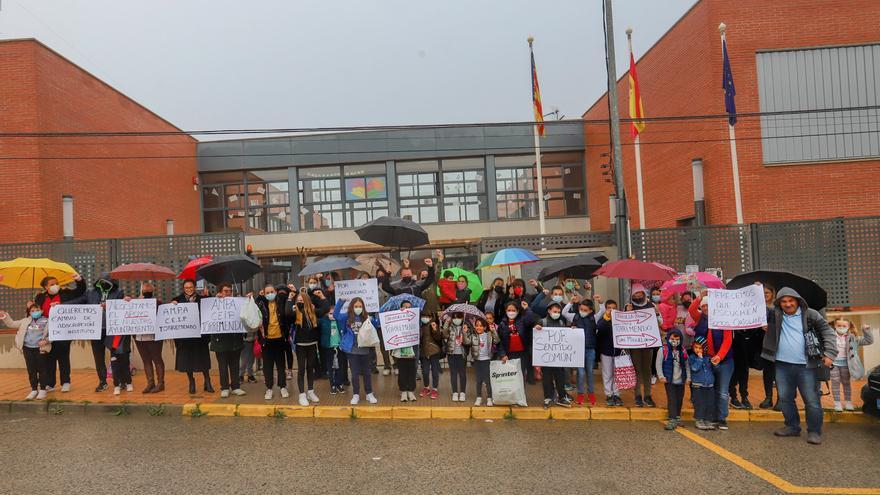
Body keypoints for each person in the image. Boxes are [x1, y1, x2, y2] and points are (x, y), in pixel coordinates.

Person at [762, 287, 836, 445]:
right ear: (779, 303)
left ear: (797, 301)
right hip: (782, 365)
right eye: (783, 301)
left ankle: (814, 431)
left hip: (807, 366)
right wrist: (755, 290)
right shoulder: (774, 315)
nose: (788, 304)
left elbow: (827, 332)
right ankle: (792, 427)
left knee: (812, 400)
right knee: (785, 398)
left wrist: (830, 353)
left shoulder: (811, 314)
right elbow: (756, 310)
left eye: (791, 301)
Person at [70, 274, 124, 393]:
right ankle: (102, 381)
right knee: (98, 358)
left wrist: (109, 306)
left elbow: (122, 307)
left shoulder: (119, 293)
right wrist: (60, 305)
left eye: (107, 281)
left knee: (116, 356)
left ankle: (119, 380)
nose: (104, 283)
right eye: (102, 281)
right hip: (95, 330)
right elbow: (77, 302)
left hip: (112, 330)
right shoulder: (90, 293)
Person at [689, 294, 734, 430]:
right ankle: (710, 416)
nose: (706, 308)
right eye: (703, 306)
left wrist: (719, 356)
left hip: (724, 361)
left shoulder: (724, 319)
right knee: (708, 389)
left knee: (722, 392)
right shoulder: (699, 318)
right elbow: (691, 310)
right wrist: (699, 298)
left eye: (708, 305)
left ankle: (721, 418)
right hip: (706, 361)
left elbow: (727, 340)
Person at [35, 273, 86, 392]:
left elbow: (81, 291)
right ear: (46, 287)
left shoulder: (66, 293)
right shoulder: (40, 297)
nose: (55, 286)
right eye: (52, 284)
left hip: (63, 330)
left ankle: (66, 382)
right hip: (47, 332)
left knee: (63, 356)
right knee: (49, 358)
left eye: (57, 283)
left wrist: (79, 280)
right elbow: (36, 311)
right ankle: (50, 383)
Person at [334, 297, 380, 405]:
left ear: (363, 307)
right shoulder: (347, 317)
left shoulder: (366, 317)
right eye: (356, 306)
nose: (358, 308)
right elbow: (336, 315)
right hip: (352, 350)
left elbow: (377, 324)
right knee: (354, 374)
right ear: (352, 307)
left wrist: (374, 319)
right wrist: (341, 301)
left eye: (360, 306)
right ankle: (356, 394)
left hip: (365, 350)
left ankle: (369, 393)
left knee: (367, 373)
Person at [1, 304, 52, 400]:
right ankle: (33, 389)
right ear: (29, 312)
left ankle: (43, 390)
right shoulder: (25, 321)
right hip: (27, 348)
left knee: (42, 369)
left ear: (41, 311)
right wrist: (5, 316)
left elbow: (54, 334)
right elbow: (11, 324)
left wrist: (46, 341)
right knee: (31, 369)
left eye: (37, 310)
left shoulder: (47, 321)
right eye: (32, 311)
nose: (35, 312)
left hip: (40, 349)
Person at [171, 279, 213, 395]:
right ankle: (191, 381)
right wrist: (173, 305)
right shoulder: (177, 300)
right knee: (187, 361)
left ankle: (207, 381)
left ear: (194, 287)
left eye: (191, 287)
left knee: (203, 359)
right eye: (186, 288)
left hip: (200, 337)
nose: (189, 289)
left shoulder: (203, 299)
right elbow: (171, 314)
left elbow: (212, 308)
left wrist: (209, 295)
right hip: (184, 338)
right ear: (183, 289)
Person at [285, 287, 323, 406]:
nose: (300, 302)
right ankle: (302, 394)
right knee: (301, 369)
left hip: (312, 344)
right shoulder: (295, 310)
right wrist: (290, 299)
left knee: (310, 367)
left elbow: (325, 308)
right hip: (300, 345)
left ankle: (310, 391)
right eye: (298, 300)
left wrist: (321, 297)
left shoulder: (312, 311)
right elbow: (287, 313)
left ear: (307, 300)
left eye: (302, 300)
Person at [253, 283, 290, 401]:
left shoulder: (281, 301)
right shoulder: (261, 303)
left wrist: (291, 289)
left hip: (280, 339)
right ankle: (269, 388)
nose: (270, 294)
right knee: (267, 367)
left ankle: (283, 387)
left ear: (276, 292)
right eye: (267, 292)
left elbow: (290, 297)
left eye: (272, 292)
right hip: (266, 340)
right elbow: (252, 308)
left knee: (280, 365)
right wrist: (258, 297)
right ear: (264, 293)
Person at [210, 283, 246, 398]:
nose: (228, 293)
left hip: (235, 340)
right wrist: (215, 300)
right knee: (223, 365)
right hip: (220, 341)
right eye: (225, 290)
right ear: (220, 291)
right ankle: (224, 387)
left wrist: (246, 300)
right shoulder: (213, 304)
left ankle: (235, 387)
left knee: (235, 365)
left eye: (230, 290)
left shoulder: (237, 303)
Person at [828, 318, 873, 412]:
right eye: (839, 326)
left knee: (846, 383)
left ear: (848, 327)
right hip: (833, 364)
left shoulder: (853, 337)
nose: (841, 328)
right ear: (835, 326)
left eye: (844, 326)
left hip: (846, 364)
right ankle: (837, 403)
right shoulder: (830, 336)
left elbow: (869, 341)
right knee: (835, 383)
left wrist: (866, 330)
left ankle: (848, 402)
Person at [534, 302, 573, 408]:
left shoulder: (561, 322)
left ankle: (562, 397)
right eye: (554, 311)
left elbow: (564, 337)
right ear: (549, 311)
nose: (557, 313)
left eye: (558, 312)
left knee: (560, 378)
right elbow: (537, 337)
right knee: (547, 378)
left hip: (558, 359)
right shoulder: (542, 321)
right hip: (546, 359)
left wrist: (571, 331)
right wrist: (537, 328)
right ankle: (548, 398)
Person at [565, 299, 598, 405]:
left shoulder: (594, 318)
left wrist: (600, 302)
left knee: (590, 372)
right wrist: (571, 302)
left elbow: (602, 311)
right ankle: (580, 394)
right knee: (580, 373)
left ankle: (591, 394)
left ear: (590, 310)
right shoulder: (575, 316)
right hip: (578, 350)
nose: (582, 311)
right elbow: (564, 312)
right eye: (581, 309)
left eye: (585, 310)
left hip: (590, 349)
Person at [133, 283, 165, 393]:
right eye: (144, 288)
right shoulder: (135, 303)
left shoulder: (158, 302)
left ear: (153, 290)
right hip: (140, 336)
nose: (146, 290)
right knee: (146, 360)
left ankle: (160, 383)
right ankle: (150, 383)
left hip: (153, 336)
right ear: (141, 290)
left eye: (149, 288)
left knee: (157, 359)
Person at [628, 284, 656, 407]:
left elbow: (660, 323)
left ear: (644, 294)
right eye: (635, 294)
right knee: (636, 370)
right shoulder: (629, 307)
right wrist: (627, 313)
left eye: (639, 293)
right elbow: (623, 325)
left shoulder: (652, 306)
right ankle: (638, 395)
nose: (637, 296)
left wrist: (658, 314)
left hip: (648, 343)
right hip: (634, 345)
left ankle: (648, 395)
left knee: (647, 369)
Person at [656, 329, 689, 430]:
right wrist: (661, 376)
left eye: (677, 339)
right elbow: (658, 364)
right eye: (672, 338)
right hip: (669, 380)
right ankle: (672, 418)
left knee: (679, 399)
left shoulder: (683, 351)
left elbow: (687, 365)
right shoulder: (663, 350)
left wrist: (688, 377)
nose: (675, 340)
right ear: (668, 338)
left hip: (680, 380)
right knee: (672, 399)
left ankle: (677, 417)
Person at [498, 301, 537, 384]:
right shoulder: (502, 324)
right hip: (509, 354)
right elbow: (499, 341)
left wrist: (527, 309)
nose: (511, 312)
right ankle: (512, 396)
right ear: (505, 311)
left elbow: (531, 320)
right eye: (509, 310)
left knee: (520, 376)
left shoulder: (522, 321)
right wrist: (503, 354)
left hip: (522, 353)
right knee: (511, 377)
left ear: (518, 311)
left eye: (513, 310)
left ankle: (521, 396)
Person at [596, 299, 623, 406]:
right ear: (606, 309)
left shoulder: (620, 319)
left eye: (614, 308)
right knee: (607, 374)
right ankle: (609, 395)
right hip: (606, 351)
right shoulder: (603, 320)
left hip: (618, 351)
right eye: (609, 308)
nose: (612, 310)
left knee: (617, 374)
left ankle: (617, 394)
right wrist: (606, 318)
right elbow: (600, 328)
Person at [441, 311, 473, 402]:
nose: (456, 319)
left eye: (458, 317)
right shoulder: (450, 327)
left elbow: (468, 342)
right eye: (454, 318)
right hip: (452, 354)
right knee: (453, 374)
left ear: (462, 318)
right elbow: (444, 334)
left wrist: (465, 333)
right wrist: (446, 323)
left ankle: (462, 393)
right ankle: (455, 392)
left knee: (462, 374)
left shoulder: (466, 327)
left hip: (462, 354)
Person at [470, 317, 501, 406]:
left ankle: (489, 398)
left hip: (486, 360)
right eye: (477, 326)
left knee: (487, 381)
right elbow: (467, 342)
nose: (478, 327)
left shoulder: (489, 335)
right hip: (477, 360)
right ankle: (478, 398)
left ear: (484, 327)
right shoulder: (473, 335)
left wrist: (493, 331)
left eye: (480, 326)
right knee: (478, 380)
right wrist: (464, 333)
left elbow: (497, 340)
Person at [757, 284, 778, 410]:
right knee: (767, 372)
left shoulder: (778, 307)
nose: (765, 295)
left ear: (772, 294)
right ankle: (768, 397)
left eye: (767, 293)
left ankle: (781, 399)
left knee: (779, 372)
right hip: (761, 343)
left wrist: (770, 327)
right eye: (762, 293)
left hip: (775, 344)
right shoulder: (757, 307)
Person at [689, 336, 715, 430]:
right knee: (700, 403)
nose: (698, 350)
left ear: (704, 348)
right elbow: (694, 368)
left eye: (700, 348)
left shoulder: (708, 358)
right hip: (698, 385)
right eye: (696, 347)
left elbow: (712, 369)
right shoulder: (692, 358)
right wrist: (699, 359)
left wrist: (714, 363)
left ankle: (707, 420)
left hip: (709, 385)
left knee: (709, 403)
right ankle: (699, 420)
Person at [419, 315, 442, 399]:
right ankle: (426, 387)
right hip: (424, 352)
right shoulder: (419, 326)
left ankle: (435, 389)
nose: (424, 318)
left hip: (434, 351)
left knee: (435, 371)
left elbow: (439, 337)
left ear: (430, 317)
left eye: (427, 316)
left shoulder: (434, 325)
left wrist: (435, 329)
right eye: (423, 316)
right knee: (425, 371)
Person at [106, 323, 133, 396]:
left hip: (124, 350)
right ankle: (116, 386)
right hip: (114, 351)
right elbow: (108, 340)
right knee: (115, 369)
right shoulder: (111, 329)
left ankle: (128, 383)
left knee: (125, 367)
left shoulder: (126, 329)